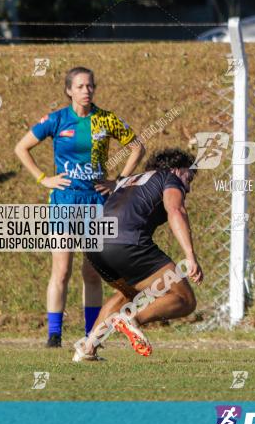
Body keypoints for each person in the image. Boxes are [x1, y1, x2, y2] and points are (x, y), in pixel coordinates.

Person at [14, 66, 145, 347]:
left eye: (90, 86)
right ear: (69, 90)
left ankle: (91, 333)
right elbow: (21, 148)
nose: (87, 91)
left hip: (97, 201)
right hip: (65, 200)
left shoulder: (105, 119)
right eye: (81, 86)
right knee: (61, 270)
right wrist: (43, 178)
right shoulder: (57, 119)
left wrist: (118, 182)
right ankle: (54, 335)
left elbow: (137, 147)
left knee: (92, 272)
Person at [74, 148, 203, 362]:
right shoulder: (169, 177)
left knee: (128, 293)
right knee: (184, 298)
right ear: (176, 169)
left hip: (95, 246)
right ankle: (130, 318)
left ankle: (88, 348)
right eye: (188, 177)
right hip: (127, 244)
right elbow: (176, 211)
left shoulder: (129, 180)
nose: (188, 187)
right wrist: (190, 256)